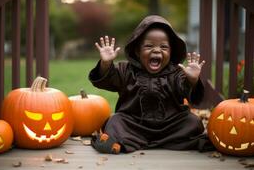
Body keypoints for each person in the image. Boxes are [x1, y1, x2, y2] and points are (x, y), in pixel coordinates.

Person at [89, 15, 214, 154]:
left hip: (170, 125)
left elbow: (190, 94)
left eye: (164, 47)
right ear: (137, 51)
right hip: (134, 124)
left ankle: (133, 142)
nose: (156, 50)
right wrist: (105, 64)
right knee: (115, 121)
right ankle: (124, 142)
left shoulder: (177, 73)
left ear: (171, 52)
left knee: (193, 122)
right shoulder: (126, 70)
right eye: (149, 46)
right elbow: (108, 80)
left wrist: (192, 80)